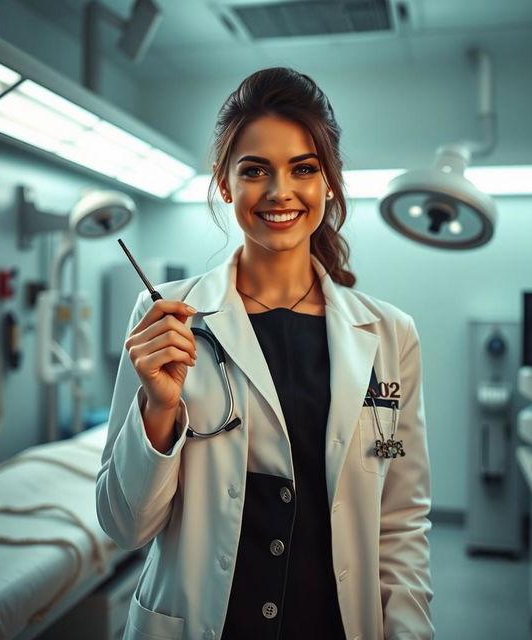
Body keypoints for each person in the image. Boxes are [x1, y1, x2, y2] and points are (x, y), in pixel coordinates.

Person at [96, 66, 434, 640]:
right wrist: (157, 410)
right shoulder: (169, 317)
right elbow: (125, 527)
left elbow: (399, 521)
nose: (280, 192)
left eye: (303, 168)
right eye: (255, 170)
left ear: (330, 182)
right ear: (225, 184)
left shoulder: (389, 334)